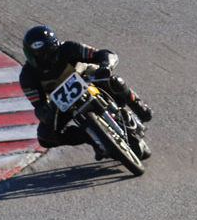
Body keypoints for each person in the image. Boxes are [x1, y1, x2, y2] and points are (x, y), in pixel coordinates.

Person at [18, 25, 152, 159]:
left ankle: (138, 105)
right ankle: (93, 138)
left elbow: (104, 54)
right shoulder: (27, 76)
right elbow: (38, 106)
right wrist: (46, 113)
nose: (46, 59)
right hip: (64, 104)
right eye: (40, 55)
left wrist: (106, 66)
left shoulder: (69, 48)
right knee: (45, 137)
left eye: (50, 52)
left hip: (90, 80)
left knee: (114, 80)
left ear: (57, 47)